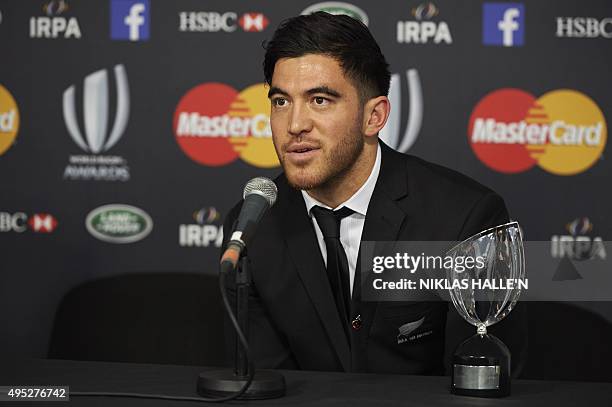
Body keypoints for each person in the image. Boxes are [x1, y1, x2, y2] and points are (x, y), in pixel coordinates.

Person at [222, 12, 526, 375]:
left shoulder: (465, 218)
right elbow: (268, 384)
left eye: (319, 100)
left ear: (375, 116)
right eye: (281, 102)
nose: (295, 125)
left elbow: (479, 381)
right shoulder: (254, 226)